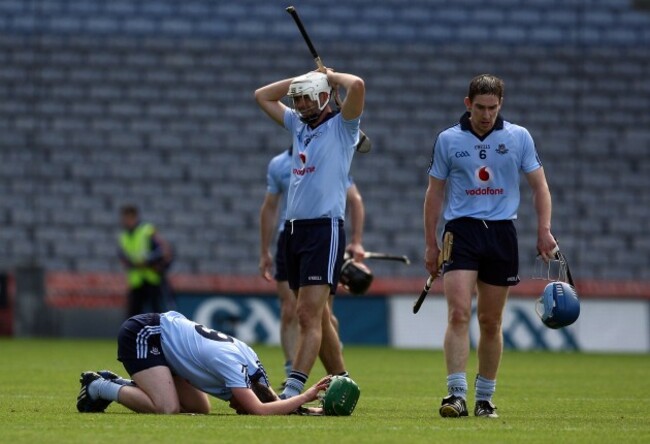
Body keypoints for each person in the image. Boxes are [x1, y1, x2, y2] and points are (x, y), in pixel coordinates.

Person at [423, 74, 557, 418]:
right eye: (480, 107)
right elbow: (434, 193)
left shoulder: (518, 137)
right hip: (461, 232)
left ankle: (485, 399)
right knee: (458, 313)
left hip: (501, 233)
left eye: (493, 108)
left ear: (501, 105)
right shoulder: (448, 140)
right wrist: (430, 244)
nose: (486, 114)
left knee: (491, 321)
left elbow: (539, 187)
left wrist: (544, 230)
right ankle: (455, 395)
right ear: (468, 104)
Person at [254, 67, 365, 399]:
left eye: (306, 97)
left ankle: (293, 387)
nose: (300, 104)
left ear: (324, 96)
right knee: (320, 313)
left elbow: (357, 85)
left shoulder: (344, 127)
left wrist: (331, 76)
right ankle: (342, 380)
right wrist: (303, 78)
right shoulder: (298, 126)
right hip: (293, 231)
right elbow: (262, 95)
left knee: (307, 313)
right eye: (297, 99)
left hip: (323, 229)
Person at [76, 311, 331, 415]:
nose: (234, 407)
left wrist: (316, 411)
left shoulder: (255, 369)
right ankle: (99, 387)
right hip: (145, 333)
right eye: (238, 406)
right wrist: (306, 394)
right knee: (167, 408)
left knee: (200, 408)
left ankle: (119, 383)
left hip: (167, 344)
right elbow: (260, 410)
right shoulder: (233, 368)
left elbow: (273, 403)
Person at [259, 147, 366, 382]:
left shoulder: (329, 157)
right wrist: (264, 250)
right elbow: (269, 207)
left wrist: (357, 241)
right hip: (288, 237)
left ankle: (335, 373)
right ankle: (292, 371)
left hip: (321, 238)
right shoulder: (278, 164)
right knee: (290, 309)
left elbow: (355, 200)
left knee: (322, 313)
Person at [117, 205, 174, 318]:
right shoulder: (123, 236)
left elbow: (164, 249)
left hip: (152, 278)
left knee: (157, 313)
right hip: (136, 280)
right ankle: (133, 335)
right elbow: (122, 255)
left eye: (127, 218)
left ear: (134, 217)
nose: (125, 222)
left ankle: (160, 335)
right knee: (132, 315)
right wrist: (131, 264)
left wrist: (148, 261)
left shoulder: (147, 230)